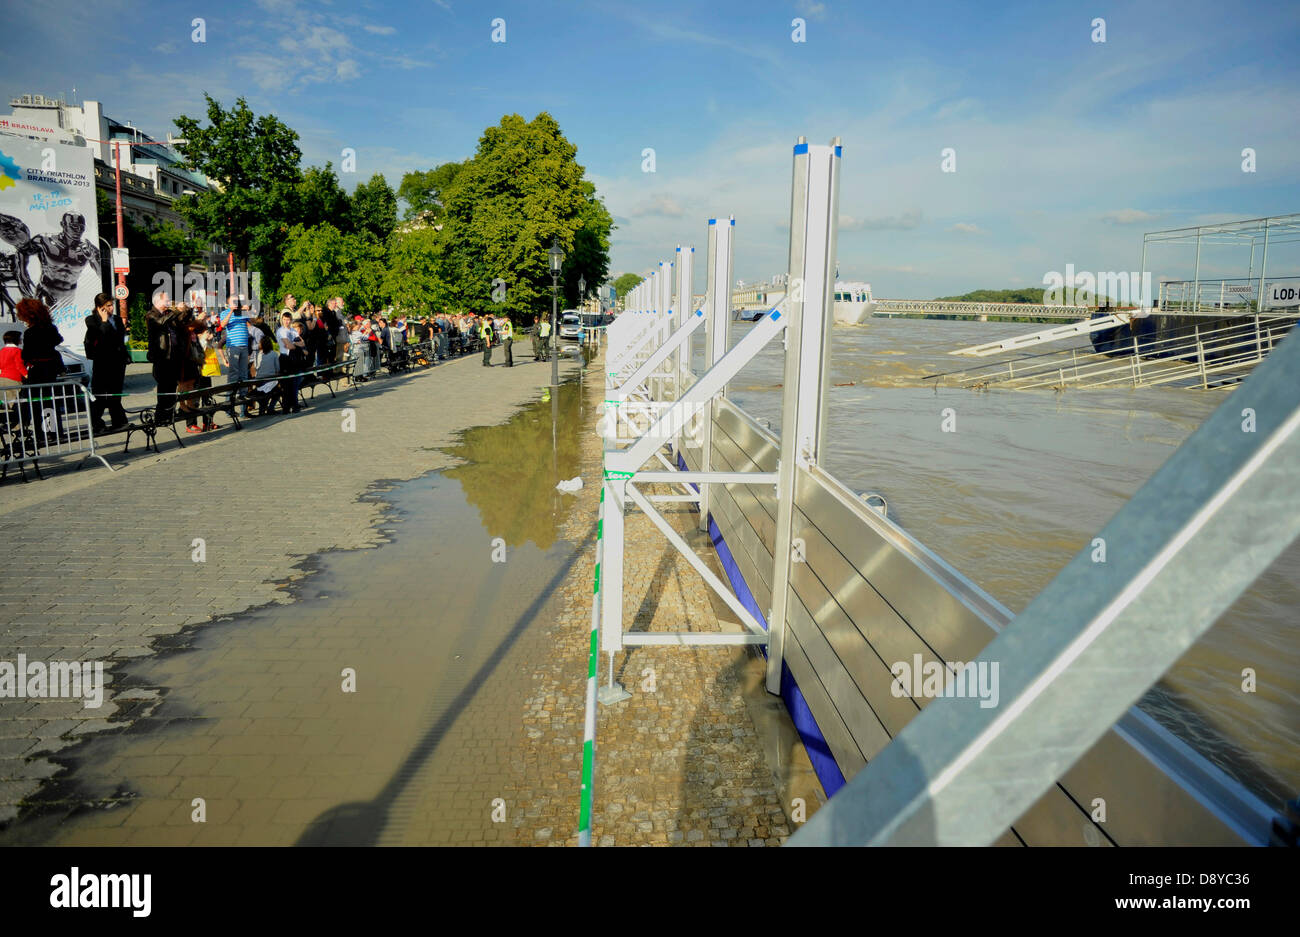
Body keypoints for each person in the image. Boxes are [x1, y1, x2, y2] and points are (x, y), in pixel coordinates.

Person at [83, 292, 129, 432]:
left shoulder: (116, 319)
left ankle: (118, 421)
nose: (111, 308)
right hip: (102, 361)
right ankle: (96, 423)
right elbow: (101, 337)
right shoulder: (92, 320)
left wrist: (125, 355)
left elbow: (120, 339)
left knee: (115, 394)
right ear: (100, 307)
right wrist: (103, 321)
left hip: (117, 362)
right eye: (108, 306)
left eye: (111, 305)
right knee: (100, 394)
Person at [219, 298, 253, 415]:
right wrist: (231, 311)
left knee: (244, 375)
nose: (235, 303)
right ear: (228, 303)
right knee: (233, 376)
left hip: (244, 347)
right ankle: (229, 408)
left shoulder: (242, 312)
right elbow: (223, 324)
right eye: (233, 301)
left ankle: (244, 410)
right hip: (233, 347)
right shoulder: (224, 312)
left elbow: (252, 321)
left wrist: (247, 310)